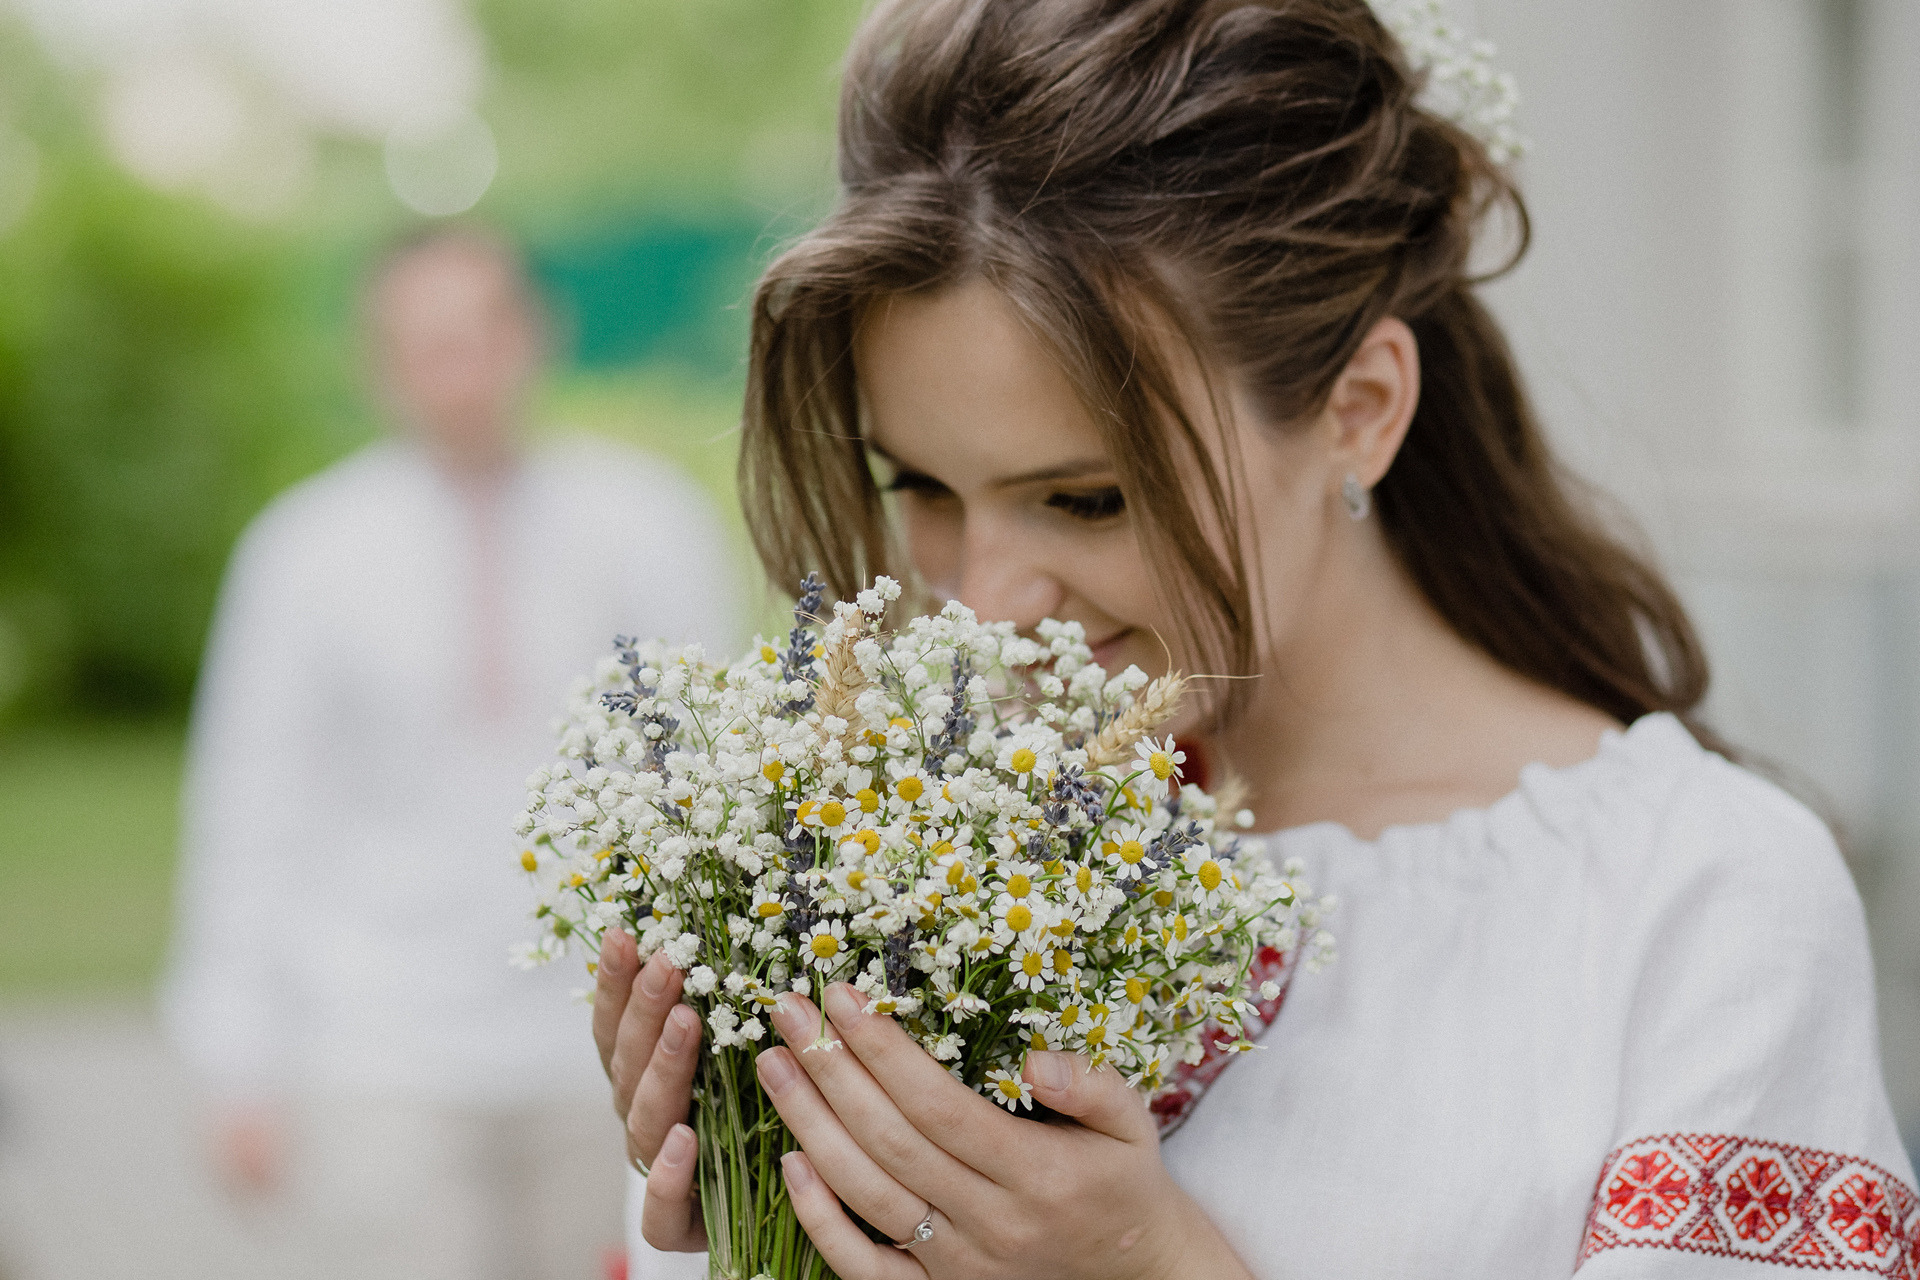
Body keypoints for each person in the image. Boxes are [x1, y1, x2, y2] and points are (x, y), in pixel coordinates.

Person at [593, 1, 1918, 1277]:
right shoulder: (891, 870)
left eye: (1086, 498)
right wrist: (769, 1201)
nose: (985, 606)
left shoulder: (1688, 900)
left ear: (1360, 408)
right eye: (925, 490)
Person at [161, 225, 742, 1280]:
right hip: (382, 1041)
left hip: (599, 1047)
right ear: (378, 363)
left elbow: (714, 784)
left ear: (537, 333)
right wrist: (237, 1054)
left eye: (483, 332)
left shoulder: (646, 525)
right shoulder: (305, 551)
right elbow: (253, 807)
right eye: (427, 343)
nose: (462, 370)